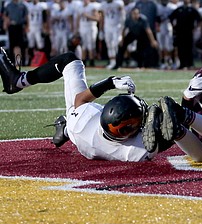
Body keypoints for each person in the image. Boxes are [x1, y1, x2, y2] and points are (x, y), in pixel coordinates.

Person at [0, 47, 172, 162]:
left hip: (79, 122)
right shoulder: (134, 152)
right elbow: (164, 138)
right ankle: (65, 129)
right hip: (82, 135)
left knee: (69, 60)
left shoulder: (86, 116)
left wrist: (110, 82)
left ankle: (19, 81)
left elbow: (80, 100)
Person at [3, 0, 28, 66]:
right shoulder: (9, 5)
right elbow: (5, 15)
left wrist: (27, 26)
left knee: (21, 45)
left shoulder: (22, 5)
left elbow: (26, 16)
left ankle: (22, 62)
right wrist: (5, 23)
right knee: (12, 45)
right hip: (12, 26)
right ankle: (12, 61)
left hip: (20, 26)